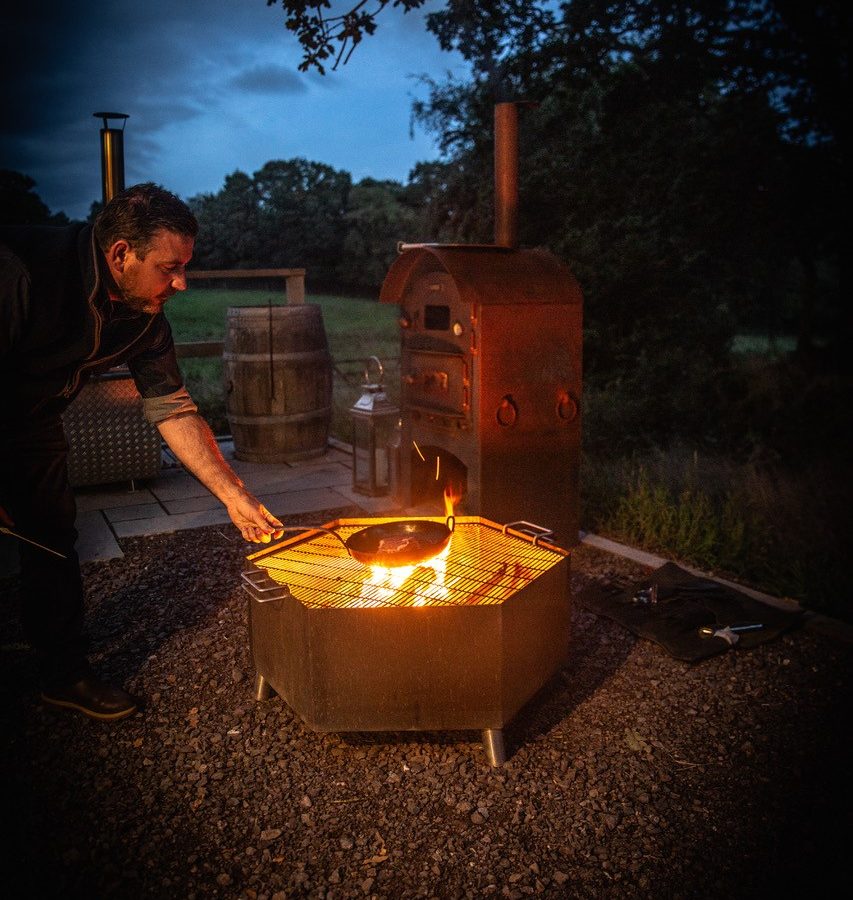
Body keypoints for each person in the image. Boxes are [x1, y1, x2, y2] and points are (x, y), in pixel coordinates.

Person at [0, 183, 284, 721]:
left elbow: (172, 405)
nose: (182, 281)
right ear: (121, 255)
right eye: (170, 267)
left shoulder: (144, 315)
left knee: (50, 537)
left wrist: (233, 494)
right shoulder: (21, 274)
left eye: (186, 266)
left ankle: (63, 673)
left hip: (30, 420)